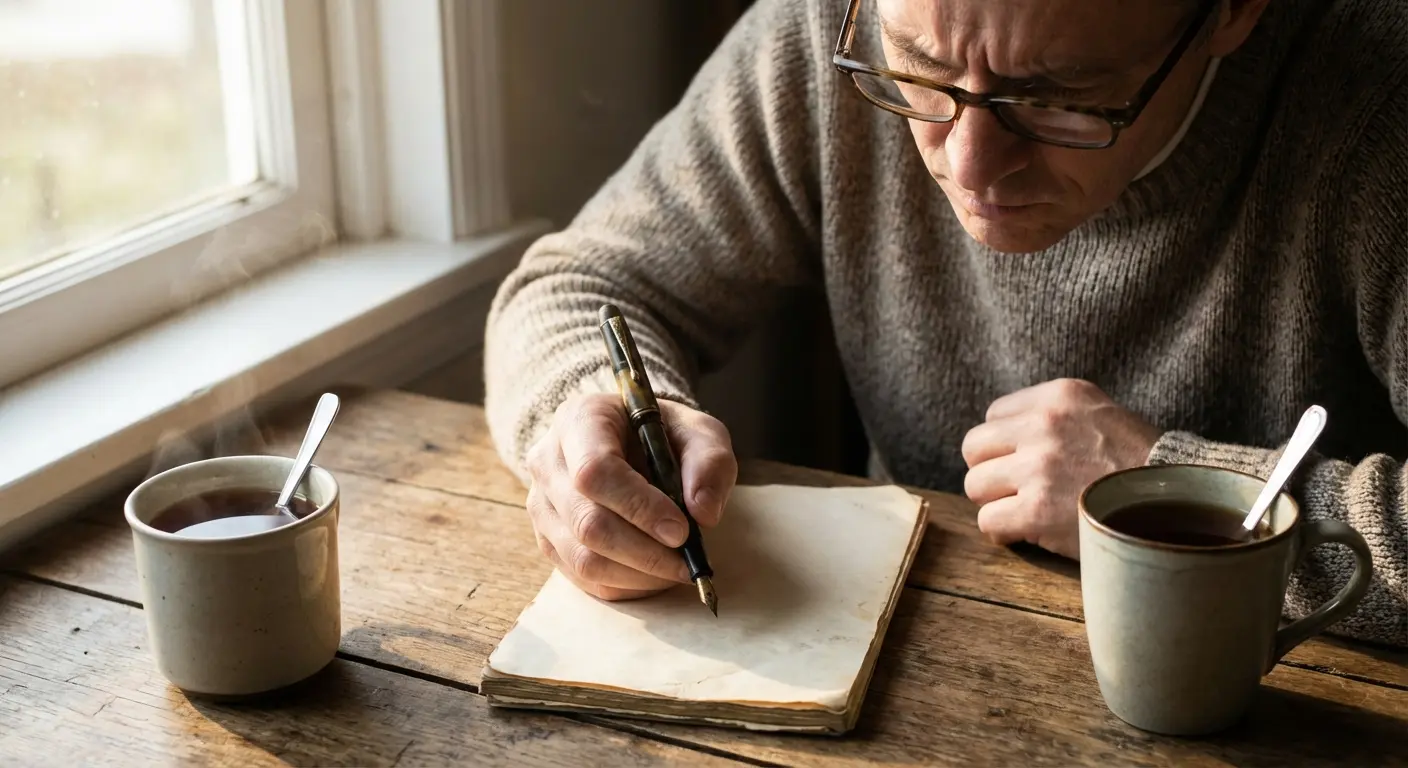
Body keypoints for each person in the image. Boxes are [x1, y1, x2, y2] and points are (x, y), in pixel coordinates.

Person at [483, 0, 1407, 647]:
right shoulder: (829, 33)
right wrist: (588, 418)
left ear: (1231, 13)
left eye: (1055, 98)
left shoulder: (1375, 107)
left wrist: (1178, 495)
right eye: (919, 72)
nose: (969, 166)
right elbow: (574, 288)